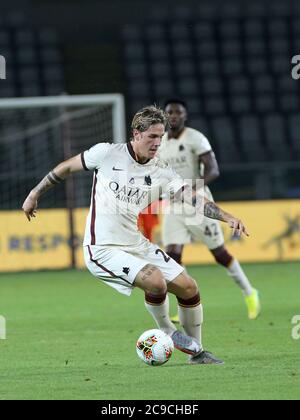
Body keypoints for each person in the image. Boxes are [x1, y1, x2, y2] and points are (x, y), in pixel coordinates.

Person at [22, 105, 249, 365]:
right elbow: (65, 168)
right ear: (136, 134)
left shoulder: (161, 170)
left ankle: (197, 353)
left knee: (188, 287)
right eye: (152, 136)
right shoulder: (106, 153)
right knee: (155, 281)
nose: (157, 143)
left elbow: (193, 198)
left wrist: (227, 217)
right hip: (102, 248)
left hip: (135, 243)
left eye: (161, 137)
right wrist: (34, 193)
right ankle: (166, 330)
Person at [158, 100, 261, 322]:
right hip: (173, 207)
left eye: (178, 112)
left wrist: (190, 189)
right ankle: (184, 304)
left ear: (185, 116)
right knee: (173, 257)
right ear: (165, 116)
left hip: (198, 204)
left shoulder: (195, 138)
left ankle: (249, 292)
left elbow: (213, 170)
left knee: (220, 255)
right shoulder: (161, 143)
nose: (174, 116)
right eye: (170, 112)